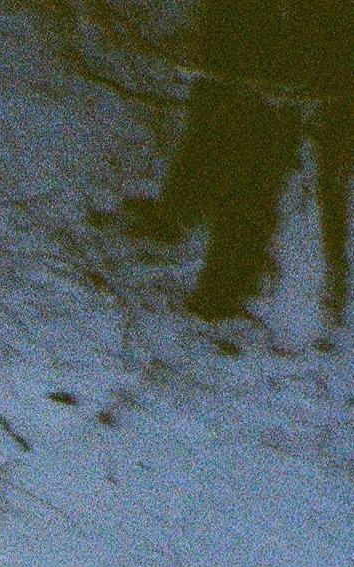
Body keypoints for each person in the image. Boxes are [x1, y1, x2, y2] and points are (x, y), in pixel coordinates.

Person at [107, 0, 354, 324]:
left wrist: (319, 82)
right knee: (212, 149)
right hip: (240, 68)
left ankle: (218, 293)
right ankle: (178, 223)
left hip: (280, 86)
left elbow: (332, 33)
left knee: (251, 188)